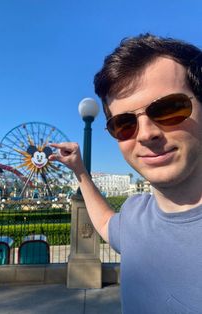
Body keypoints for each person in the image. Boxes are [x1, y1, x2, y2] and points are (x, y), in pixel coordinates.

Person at [49, 33, 202, 314]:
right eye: (124, 124)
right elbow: (106, 222)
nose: (146, 134)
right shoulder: (135, 215)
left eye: (169, 109)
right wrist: (80, 170)